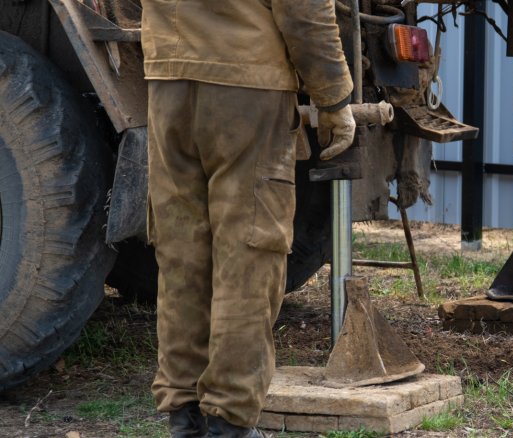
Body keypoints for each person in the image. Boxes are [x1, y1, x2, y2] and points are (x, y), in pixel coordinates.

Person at [140, 1, 355, 436]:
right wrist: (334, 97)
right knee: (249, 255)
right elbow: (305, 8)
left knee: (182, 255)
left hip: (168, 83)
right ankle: (230, 420)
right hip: (248, 84)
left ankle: (185, 417)